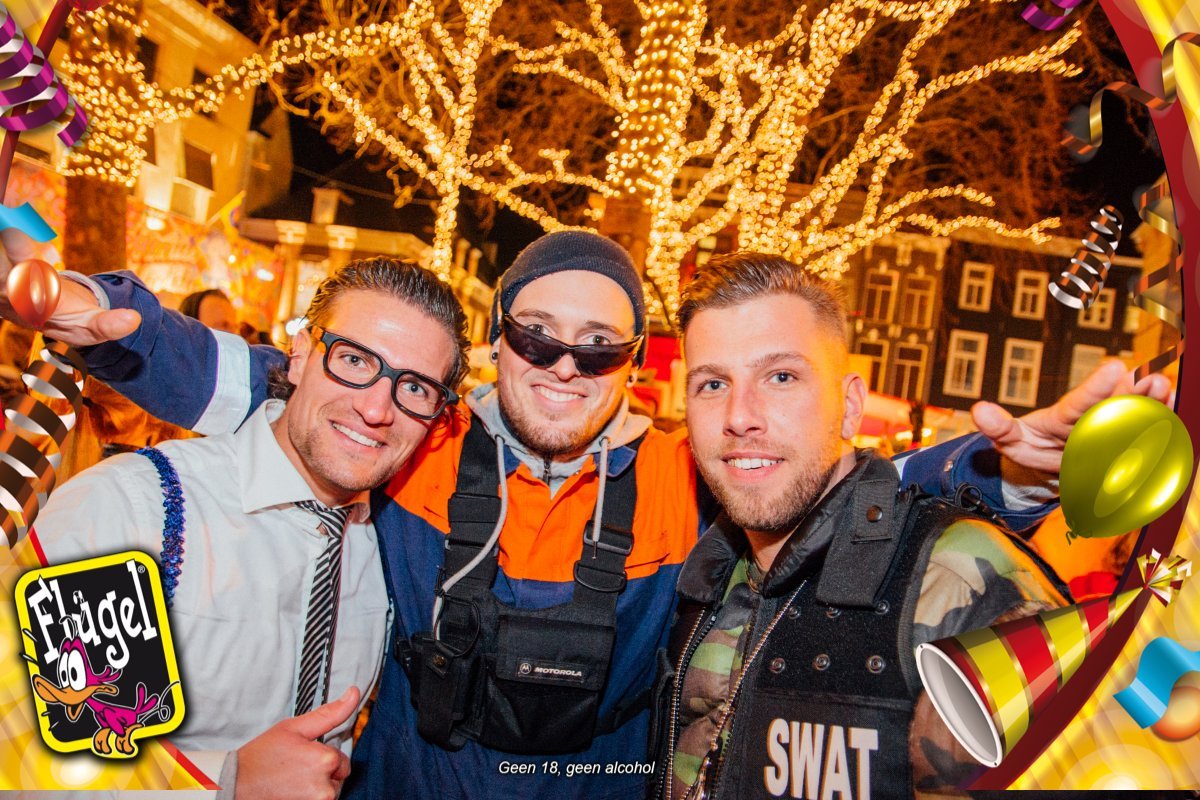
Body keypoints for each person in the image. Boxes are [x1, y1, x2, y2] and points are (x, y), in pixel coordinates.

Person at [0, 227, 1163, 799]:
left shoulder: (688, 471)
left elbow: (845, 484)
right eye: (536, 336)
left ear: (633, 363)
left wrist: (1011, 469)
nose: (563, 365)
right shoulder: (410, 432)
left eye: (599, 346)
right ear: (496, 343)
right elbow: (279, 382)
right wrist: (110, 319)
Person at [649, 252, 1146, 799]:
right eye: (712, 384)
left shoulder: (956, 578)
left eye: (781, 377)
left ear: (849, 405)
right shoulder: (709, 572)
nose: (740, 416)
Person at [29, 256, 469, 800]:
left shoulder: (389, 549)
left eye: (416, 388)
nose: (377, 409)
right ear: (301, 354)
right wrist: (223, 782)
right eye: (355, 360)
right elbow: (25, 753)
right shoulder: (132, 508)